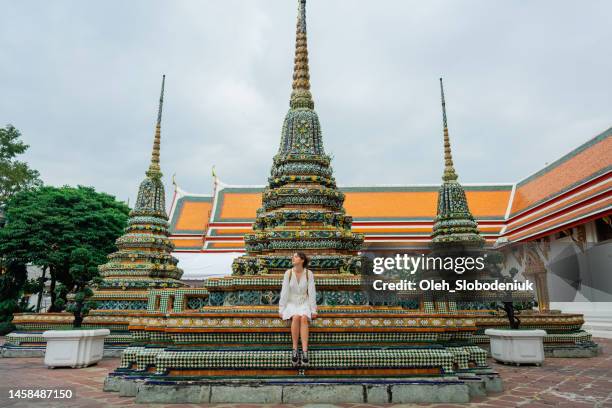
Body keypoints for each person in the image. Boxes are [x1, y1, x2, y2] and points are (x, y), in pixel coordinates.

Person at [279, 252, 317, 366]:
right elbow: (284, 291)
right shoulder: (288, 273)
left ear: (302, 260)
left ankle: (305, 352)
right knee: (295, 317)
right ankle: (295, 350)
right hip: (291, 303)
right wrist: (281, 308)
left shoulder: (308, 274)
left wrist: (313, 309)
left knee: (304, 318)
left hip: (304, 302)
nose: (293, 258)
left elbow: (312, 292)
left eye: (296, 257)